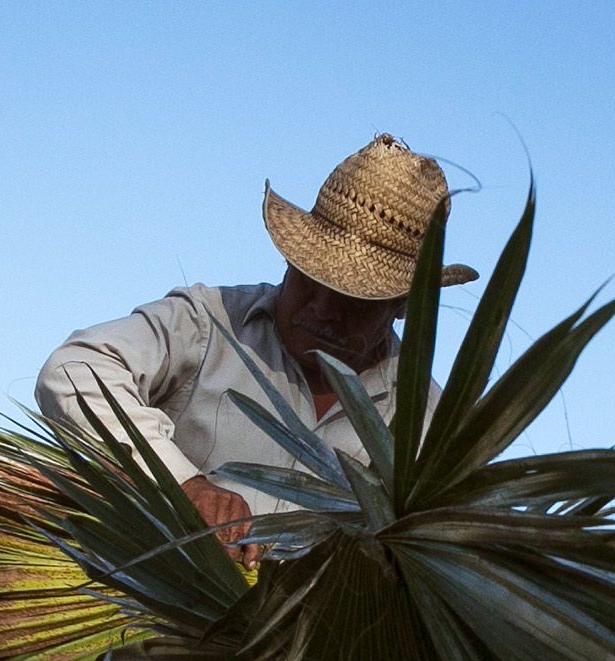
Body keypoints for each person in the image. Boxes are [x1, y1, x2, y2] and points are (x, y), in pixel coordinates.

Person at [35, 134, 477, 553]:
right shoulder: (208, 322)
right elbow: (74, 371)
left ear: (403, 304)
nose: (321, 308)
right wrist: (183, 483)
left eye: (351, 298)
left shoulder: (423, 421)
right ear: (289, 258)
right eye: (309, 278)